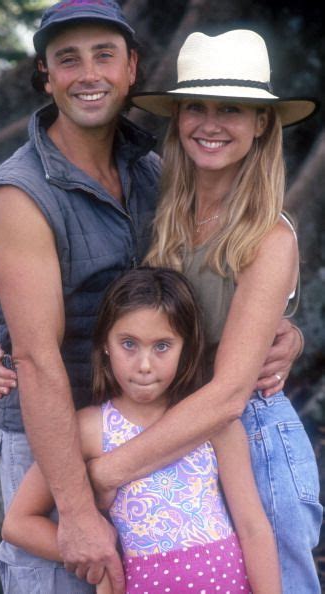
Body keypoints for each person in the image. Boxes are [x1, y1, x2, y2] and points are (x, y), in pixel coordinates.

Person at [0, 1, 302, 590]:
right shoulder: (20, 195)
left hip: (166, 431)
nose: (88, 74)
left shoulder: (150, 173)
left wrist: (284, 329)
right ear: (45, 74)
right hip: (59, 444)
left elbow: (189, 301)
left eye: (104, 56)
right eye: (68, 59)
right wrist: (74, 503)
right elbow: (38, 358)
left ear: (132, 68)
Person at [82, 30, 322, 593]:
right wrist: (12, 347)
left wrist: (111, 468)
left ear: (262, 123)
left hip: (251, 438)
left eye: (232, 110)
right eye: (196, 106)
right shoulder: (160, 208)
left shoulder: (268, 237)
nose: (209, 124)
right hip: (177, 437)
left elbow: (231, 392)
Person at [1, 267, 282, 594]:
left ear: (186, 347)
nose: (144, 364)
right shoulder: (89, 428)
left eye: (162, 346)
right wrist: (105, 562)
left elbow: (252, 528)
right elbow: (18, 524)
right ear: (106, 343)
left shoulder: (212, 421)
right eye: (129, 344)